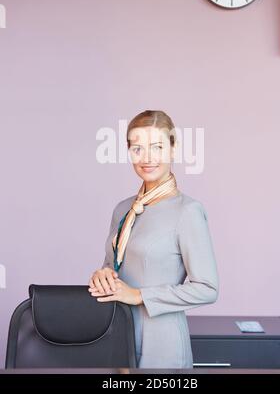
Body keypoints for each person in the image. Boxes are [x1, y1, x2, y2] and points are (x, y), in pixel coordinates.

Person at [88, 109, 219, 368]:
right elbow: (113, 266)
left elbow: (208, 288)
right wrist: (102, 276)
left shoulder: (187, 211)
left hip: (162, 341)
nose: (146, 158)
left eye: (156, 147)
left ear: (173, 149)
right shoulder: (123, 209)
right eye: (137, 148)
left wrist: (139, 295)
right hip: (116, 333)